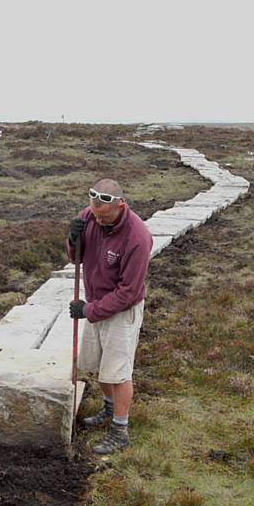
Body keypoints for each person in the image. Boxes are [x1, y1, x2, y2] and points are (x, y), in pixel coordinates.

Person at [67, 180, 152, 455]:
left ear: (120, 206)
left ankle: (120, 429)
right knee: (101, 367)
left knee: (118, 372)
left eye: (104, 216)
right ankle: (108, 408)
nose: (98, 220)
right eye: (95, 214)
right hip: (96, 301)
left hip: (121, 311)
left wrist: (88, 311)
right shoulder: (90, 215)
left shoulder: (137, 237)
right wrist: (73, 239)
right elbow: (76, 259)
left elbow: (128, 292)